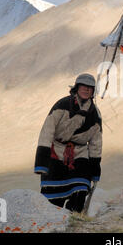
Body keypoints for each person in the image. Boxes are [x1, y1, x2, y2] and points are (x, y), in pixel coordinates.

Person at [34, 73, 102, 212]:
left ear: (93, 91)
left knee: (81, 187)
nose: (86, 90)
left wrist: (95, 168)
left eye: (90, 88)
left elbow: (96, 141)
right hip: (57, 151)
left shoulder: (95, 113)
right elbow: (47, 131)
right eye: (83, 86)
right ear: (76, 88)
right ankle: (53, 221)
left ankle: (74, 218)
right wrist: (42, 161)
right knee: (52, 197)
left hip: (80, 153)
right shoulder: (62, 104)